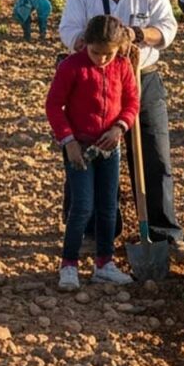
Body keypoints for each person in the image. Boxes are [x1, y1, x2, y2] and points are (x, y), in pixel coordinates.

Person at [58, 0, 184, 263]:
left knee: (155, 156)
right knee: (94, 154)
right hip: (95, 83)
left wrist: (137, 35)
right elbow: (68, 28)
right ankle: (93, 232)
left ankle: (165, 234)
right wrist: (91, 44)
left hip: (142, 78)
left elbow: (168, 28)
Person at [46, 15, 139, 291]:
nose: (100, 59)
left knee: (109, 206)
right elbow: (53, 106)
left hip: (109, 145)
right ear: (85, 43)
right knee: (82, 206)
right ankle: (69, 264)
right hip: (80, 146)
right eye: (95, 52)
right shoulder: (71, 67)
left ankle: (104, 264)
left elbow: (132, 102)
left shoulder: (122, 66)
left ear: (118, 48)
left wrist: (120, 127)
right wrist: (68, 141)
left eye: (107, 54)